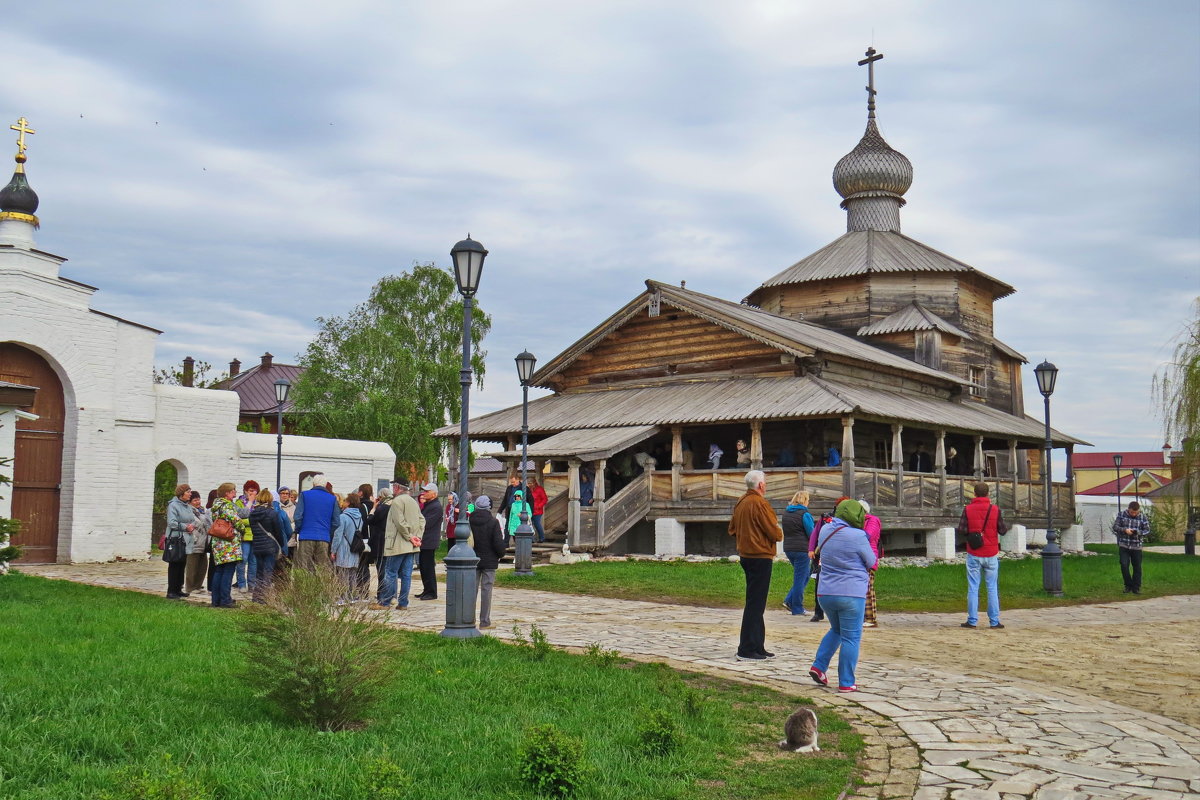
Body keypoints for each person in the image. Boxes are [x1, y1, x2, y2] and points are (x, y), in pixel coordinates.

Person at [807, 499, 876, 693]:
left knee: (836, 630)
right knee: (851, 638)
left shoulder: (825, 531)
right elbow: (871, 561)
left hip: (826, 592)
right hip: (851, 593)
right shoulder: (858, 536)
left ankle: (819, 666)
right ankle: (846, 681)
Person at [727, 470, 783, 661]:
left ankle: (758, 646)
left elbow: (731, 528)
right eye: (764, 483)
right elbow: (775, 532)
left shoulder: (741, 501)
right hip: (760, 555)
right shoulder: (759, 503)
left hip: (746, 555)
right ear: (760, 485)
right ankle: (747, 649)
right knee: (755, 604)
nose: (765, 486)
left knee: (756, 603)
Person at [956, 481, 1008, 629]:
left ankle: (972, 620)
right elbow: (1003, 530)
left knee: (973, 587)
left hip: (974, 552)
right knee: (992, 587)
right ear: (987, 494)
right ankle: (994, 621)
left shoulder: (968, 509)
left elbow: (961, 530)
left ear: (975, 494)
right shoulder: (995, 509)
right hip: (991, 553)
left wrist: (973, 533)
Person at [372, 477, 423, 610]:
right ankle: (403, 603)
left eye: (393, 486)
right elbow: (422, 520)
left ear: (397, 487)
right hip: (411, 546)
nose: (392, 489)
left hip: (397, 544)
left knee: (390, 573)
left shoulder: (396, 502)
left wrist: (410, 536)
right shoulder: (413, 501)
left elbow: (399, 522)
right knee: (406, 575)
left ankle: (385, 602)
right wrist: (417, 537)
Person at [470, 495, 507, 629]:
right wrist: (501, 553)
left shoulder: (469, 521)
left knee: (471, 591)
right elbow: (498, 543)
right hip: (489, 561)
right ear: (488, 507)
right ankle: (485, 621)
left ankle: (469, 619)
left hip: (472, 560)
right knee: (486, 591)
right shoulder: (493, 522)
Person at [293, 472, 340, 571]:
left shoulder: (304, 495)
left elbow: (298, 517)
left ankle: (303, 587)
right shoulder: (332, 499)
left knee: (303, 568)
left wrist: (299, 530)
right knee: (322, 570)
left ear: (313, 484)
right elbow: (336, 522)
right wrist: (328, 532)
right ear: (325, 485)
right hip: (324, 537)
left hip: (306, 535)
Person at [209, 482, 244, 608]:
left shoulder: (216, 505)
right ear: (227, 493)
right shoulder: (227, 505)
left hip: (218, 541)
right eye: (233, 490)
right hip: (228, 542)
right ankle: (225, 600)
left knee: (219, 571)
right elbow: (236, 520)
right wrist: (242, 528)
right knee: (228, 571)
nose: (235, 492)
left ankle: (216, 599)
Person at [782, 490, 815, 616]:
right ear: (805, 500)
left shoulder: (786, 513)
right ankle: (797, 607)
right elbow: (811, 533)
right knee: (800, 579)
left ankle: (789, 600)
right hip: (802, 549)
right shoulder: (805, 514)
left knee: (804, 575)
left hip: (789, 548)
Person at [249, 489, 285, 603]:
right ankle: (265, 597)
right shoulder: (272, 513)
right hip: (270, 546)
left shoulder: (253, 513)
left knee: (259, 572)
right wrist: (281, 544)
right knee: (268, 572)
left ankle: (256, 596)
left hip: (257, 546)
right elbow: (278, 531)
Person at [329, 493, 364, 603]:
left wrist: (333, 550)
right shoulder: (359, 517)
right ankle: (352, 595)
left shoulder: (343, 517)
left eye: (345, 501)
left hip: (344, 549)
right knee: (353, 575)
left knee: (343, 574)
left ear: (348, 503)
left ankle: (342, 597)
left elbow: (338, 535)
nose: (343, 503)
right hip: (355, 548)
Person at [1112, 501, 1150, 594]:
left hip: (1136, 546)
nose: (1133, 514)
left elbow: (1147, 530)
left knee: (1137, 567)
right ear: (1128, 509)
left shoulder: (1142, 517)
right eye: (1132, 512)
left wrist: (1138, 532)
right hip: (1124, 545)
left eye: (1135, 512)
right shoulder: (1121, 515)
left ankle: (1136, 588)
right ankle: (1128, 585)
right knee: (1124, 565)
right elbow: (1115, 527)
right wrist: (1125, 530)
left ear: (1138, 511)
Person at [164, 483, 194, 599]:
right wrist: (185, 527)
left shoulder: (187, 506)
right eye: (188, 492)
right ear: (181, 494)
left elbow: (192, 519)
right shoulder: (173, 506)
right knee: (175, 564)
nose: (190, 494)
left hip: (186, 539)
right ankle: (171, 590)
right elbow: (172, 522)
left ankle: (178, 589)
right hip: (176, 539)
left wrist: (192, 526)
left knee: (182, 564)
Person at [416, 482, 442, 600]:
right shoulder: (428, 505)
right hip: (425, 541)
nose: (424, 493)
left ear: (434, 494)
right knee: (423, 567)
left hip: (429, 541)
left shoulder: (435, 506)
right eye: (424, 491)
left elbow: (426, 523)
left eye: (427, 491)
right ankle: (426, 589)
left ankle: (431, 592)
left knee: (428, 567)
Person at [183, 490, 211, 595]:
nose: (198, 502)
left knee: (203, 565)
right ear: (190, 502)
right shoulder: (188, 511)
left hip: (203, 542)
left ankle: (198, 585)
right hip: (194, 541)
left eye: (198, 499)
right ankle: (190, 586)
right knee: (192, 565)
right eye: (195, 500)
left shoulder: (201, 511)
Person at [860, 499, 883, 628]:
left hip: (869, 557)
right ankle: (862, 617)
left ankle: (871, 618)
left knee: (868, 588)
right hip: (859, 558)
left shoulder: (872, 520)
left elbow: (867, 535)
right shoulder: (858, 522)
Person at [235, 480, 260, 592]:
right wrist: (251, 521)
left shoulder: (258, 503)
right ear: (245, 491)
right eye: (250, 491)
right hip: (244, 536)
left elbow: (260, 519)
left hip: (255, 536)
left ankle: (252, 583)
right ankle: (241, 583)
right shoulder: (239, 503)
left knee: (253, 561)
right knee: (242, 559)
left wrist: (250, 521)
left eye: (255, 491)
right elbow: (239, 519)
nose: (252, 493)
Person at [367, 487, 392, 591]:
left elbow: (370, 520)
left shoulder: (382, 508)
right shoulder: (393, 506)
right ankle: (390, 593)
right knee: (389, 570)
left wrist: (373, 508)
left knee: (381, 569)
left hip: (379, 541)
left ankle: (382, 593)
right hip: (390, 540)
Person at [354, 483, 376, 593]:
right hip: (374, 538)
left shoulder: (362, 506)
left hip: (364, 538)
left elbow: (362, 523)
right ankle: (364, 588)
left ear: (361, 493)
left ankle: (362, 589)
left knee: (362, 565)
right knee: (366, 565)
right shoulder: (374, 505)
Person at [528, 478, 548, 543]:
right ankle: (532, 539)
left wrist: (539, 506)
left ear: (534, 483)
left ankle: (542, 538)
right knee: (530, 524)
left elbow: (545, 499)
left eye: (530, 483)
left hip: (537, 511)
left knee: (537, 524)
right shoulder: (528, 490)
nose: (529, 485)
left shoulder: (539, 489)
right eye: (528, 483)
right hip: (530, 510)